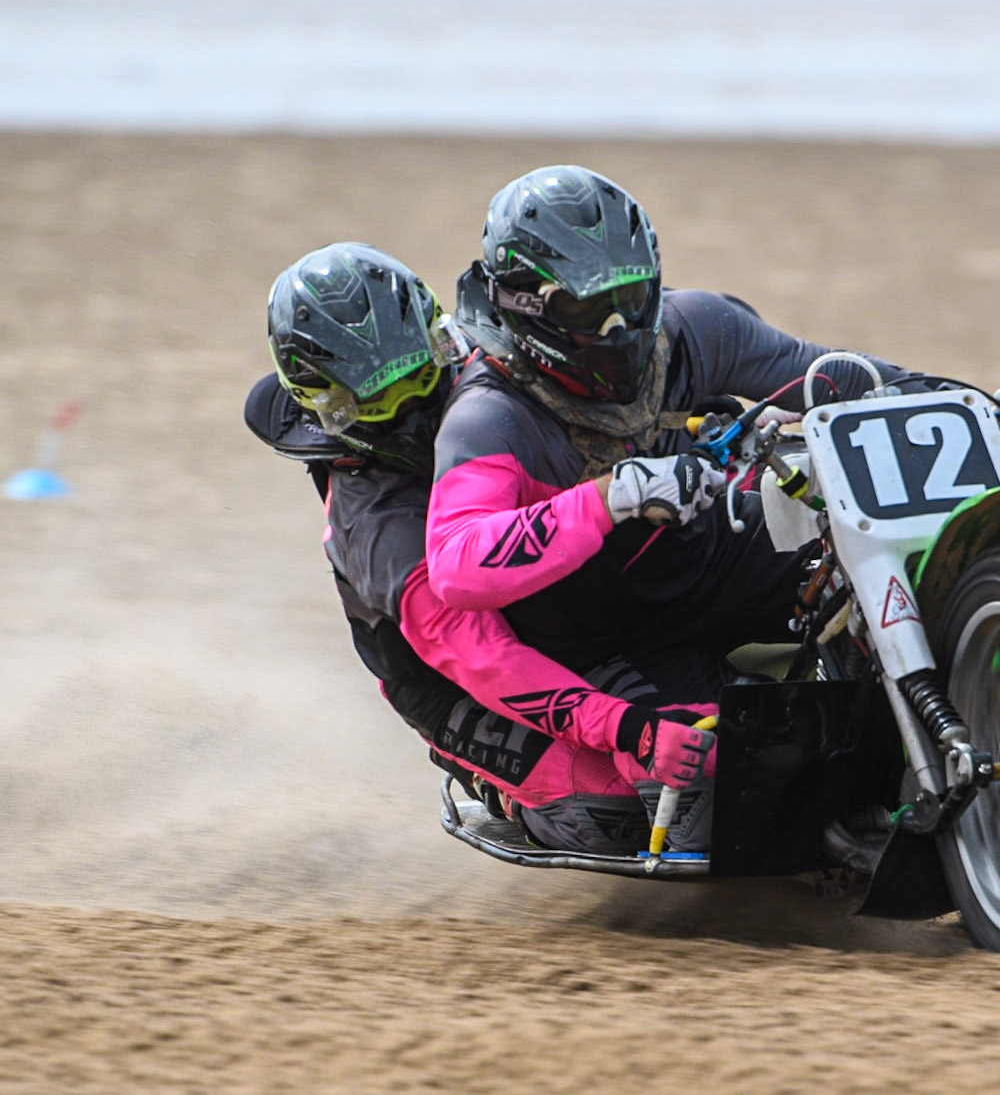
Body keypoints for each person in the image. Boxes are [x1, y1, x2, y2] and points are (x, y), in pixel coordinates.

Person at [409, 165, 1000, 849]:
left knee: (882, 552)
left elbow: (836, 378)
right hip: (605, 634)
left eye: (634, 295)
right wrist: (612, 496)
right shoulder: (488, 417)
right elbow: (458, 566)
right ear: (528, 306)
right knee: (717, 799)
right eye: (592, 309)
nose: (621, 327)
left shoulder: (692, 328)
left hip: (714, 558)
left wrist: (994, 418)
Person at [248, 242, 711, 856]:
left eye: (420, 376)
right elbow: (485, 659)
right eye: (380, 403)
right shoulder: (380, 527)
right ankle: (510, 795)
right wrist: (630, 730)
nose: (417, 413)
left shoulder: (492, 361)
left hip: (565, 608)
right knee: (619, 811)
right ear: (328, 403)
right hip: (457, 676)